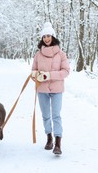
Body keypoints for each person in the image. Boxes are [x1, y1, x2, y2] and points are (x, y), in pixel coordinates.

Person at [31, 22, 70, 155]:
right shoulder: (38, 55)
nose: (46, 39)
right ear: (42, 39)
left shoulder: (61, 54)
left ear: (53, 37)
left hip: (57, 89)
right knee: (46, 116)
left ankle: (58, 142)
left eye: (48, 36)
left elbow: (65, 71)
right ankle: (49, 138)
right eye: (44, 36)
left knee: (56, 115)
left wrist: (49, 75)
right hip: (42, 90)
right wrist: (35, 75)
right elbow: (33, 71)